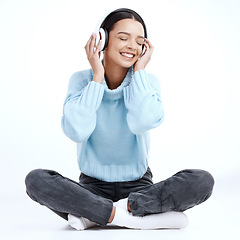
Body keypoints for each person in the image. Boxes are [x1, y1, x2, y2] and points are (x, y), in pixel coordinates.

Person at [25, 8, 214, 230]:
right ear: (103, 40)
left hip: (141, 189)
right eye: (123, 38)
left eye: (139, 41)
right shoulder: (81, 81)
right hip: (91, 187)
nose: (132, 46)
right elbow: (78, 131)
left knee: (202, 180)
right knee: (36, 180)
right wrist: (97, 77)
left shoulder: (148, 82)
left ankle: (99, 214)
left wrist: (140, 72)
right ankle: (132, 217)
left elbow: (141, 121)